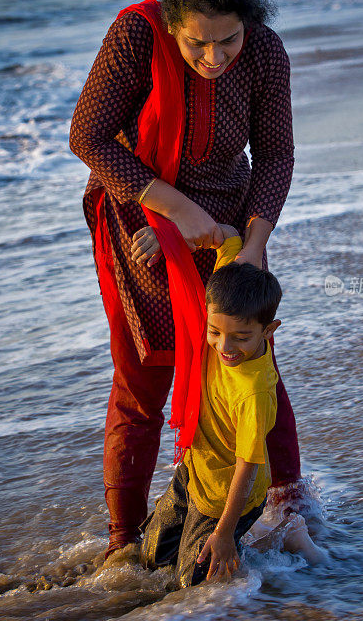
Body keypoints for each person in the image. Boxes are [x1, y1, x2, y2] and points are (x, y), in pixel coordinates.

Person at [69, 0, 308, 560]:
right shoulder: (135, 37)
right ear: (171, 25)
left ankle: (288, 509)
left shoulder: (264, 52)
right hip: (141, 221)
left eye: (228, 39)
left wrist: (251, 249)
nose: (213, 57)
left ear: (247, 23)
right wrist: (176, 211)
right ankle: (125, 540)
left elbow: (276, 154)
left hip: (228, 224)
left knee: (252, 364)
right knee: (143, 375)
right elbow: (87, 136)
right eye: (197, 43)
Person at [138, 224, 325, 586]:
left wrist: (224, 532)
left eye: (241, 337)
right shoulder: (224, 312)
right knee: (151, 557)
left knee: (190, 585)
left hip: (227, 495)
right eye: (214, 332)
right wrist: (175, 234)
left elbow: (248, 466)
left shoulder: (254, 391)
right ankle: (262, 537)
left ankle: (279, 536)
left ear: (269, 331)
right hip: (195, 469)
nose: (225, 347)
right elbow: (226, 239)